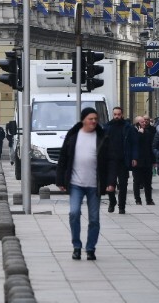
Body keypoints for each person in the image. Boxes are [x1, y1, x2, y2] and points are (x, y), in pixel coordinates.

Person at [56, 107, 115, 261]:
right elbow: (63, 159)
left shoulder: (102, 137)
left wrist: (110, 182)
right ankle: (76, 246)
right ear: (83, 120)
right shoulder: (73, 135)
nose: (94, 121)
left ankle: (90, 248)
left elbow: (110, 161)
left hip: (94, 185)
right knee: (74, 213)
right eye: (91, 119)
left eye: (96, 119)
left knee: (94, 219)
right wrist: (60, 180)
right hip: (76, 183)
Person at [104, 106, 132, 214]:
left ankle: (122, 206)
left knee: (123, 184)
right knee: (110, 184)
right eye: (115, 114)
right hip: (110, 161)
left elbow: (133, 143)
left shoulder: (127, 127)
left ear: (122, 114)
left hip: (123, 160)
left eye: (118, 114)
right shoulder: (107, 127)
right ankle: (112, 201)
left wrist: (133, 158)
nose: (116, 116)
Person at [129, 116, 155, 205]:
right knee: (137, 181)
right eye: (142, 122)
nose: (145, 123)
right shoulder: (132, 132)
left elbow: (151, 147)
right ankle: (138, 199)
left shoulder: (148, 132)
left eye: (145, 122)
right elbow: (134, 144)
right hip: (137, 161)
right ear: (137, 123)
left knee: (148, 181)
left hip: (147, 160)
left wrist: (154, 160)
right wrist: (140, 134)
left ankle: (149, 199)